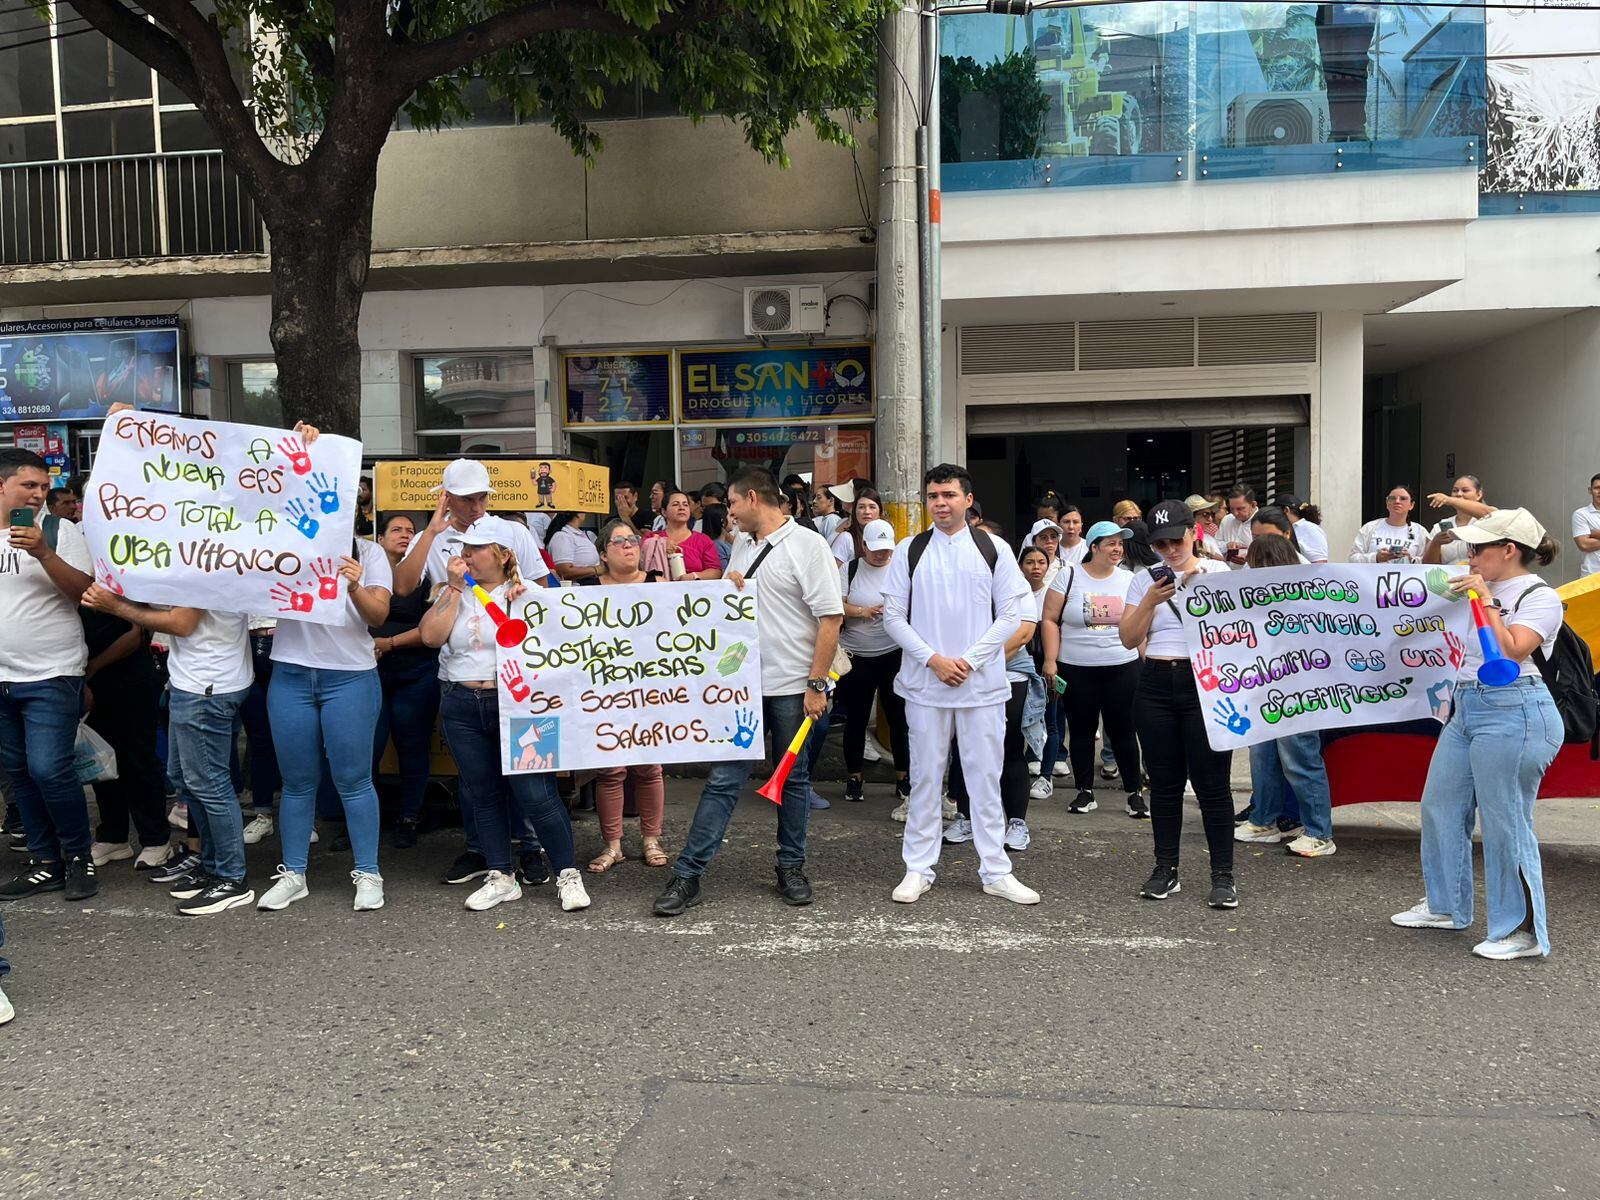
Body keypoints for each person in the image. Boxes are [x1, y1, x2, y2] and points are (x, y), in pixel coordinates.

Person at [652, 467, 843, 917]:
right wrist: (729, 585)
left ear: (753, 498)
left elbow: (830, 619)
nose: (727, 513)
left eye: (733, 504)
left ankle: (791, 867)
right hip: (742, 687)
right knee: (723, 779)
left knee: (792, 781)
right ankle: (688, 874)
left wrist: (816, 685)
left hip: (794, 687)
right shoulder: (742, 542)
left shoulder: (808, 546)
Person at [1391, 509, 1564, 960]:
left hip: (1517, 708)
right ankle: (1446, 905)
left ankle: (1522, 931)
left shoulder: (1539, 595)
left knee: (1507, 821)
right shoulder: (1466, 583)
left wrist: (1485, 597)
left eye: (1478, 548)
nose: (1468, 555)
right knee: (1440, 805)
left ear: (1508, 551)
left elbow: (1512, 650)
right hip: (1466, 705)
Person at [882, 464, 1039, 906]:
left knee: (984, 778)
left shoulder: (995, 549)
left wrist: (968, 661)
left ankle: (995, 869)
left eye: (949, 494)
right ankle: (917, 867)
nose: (940, 502)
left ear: (968, 500)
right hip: (924, 684)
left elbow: (1011, 614)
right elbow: (893, 616)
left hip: (981, 684)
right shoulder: (910, 549)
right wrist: (933, 659)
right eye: (933, 495)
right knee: (926, 779)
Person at [421, 517, 590, 913]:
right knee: (483, 792)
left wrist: (529, 603)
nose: (465, 556)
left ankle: (567, 873)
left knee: (537, 793)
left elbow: (560, 644)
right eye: (463, 549)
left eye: (476, 549)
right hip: (463, 701)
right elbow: (431, 637)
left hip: (522, 704)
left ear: (502, 554)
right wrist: (454, 588)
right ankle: (500, 874)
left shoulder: (528, 592)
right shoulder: (453, 591)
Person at [259, 471, 394, 913]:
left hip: (349, 676)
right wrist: (300, 453)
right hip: (292, 675)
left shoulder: (370, 553)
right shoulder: (283, 545)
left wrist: (354, 585)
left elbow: (378, 616)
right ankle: (293, 872)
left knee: (354, 780)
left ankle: (368, 872)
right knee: (296, 783)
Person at [79, 585, 259, 913]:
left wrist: (116, 606)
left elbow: (183, 623)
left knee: (210, 784)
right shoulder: (191, 552)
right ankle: (212, 866)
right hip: (192, 680)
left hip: (209, 684)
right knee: (187, 780)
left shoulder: (205, 561)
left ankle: (232, 878)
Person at [1118, 498, 1236, 908]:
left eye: (1175, 540)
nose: (1169, 550)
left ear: (1194, 534)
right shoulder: (1143, 580)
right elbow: (1129, 639)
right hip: (1154, 681)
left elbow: (1243, 633)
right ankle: (1165, 869)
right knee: (1164, 785)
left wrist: (1204, 589)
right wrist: (1151, 600)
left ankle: (1223, 875)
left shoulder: (1220, 573)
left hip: (1206, 684)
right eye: (1160, 544)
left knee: (1212, 785)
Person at [0, 448, 97, 903]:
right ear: (2, 486)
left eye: (43, 487)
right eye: (29, 486)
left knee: (49, 769)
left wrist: (42, 552)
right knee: (19, 771)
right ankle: (44, 862)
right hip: (2, 677)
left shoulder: (61, 530)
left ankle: (79, 856)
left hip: (52, 672)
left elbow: (86, 593)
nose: (39, 495)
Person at [1232, 535, 1336, 857]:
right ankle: (1264, 820)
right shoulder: (1257, 597)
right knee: (1263, 757)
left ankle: (1320, 832)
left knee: (1300, 759)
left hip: (1299, 691)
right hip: (1264, 687)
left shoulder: (1306, 599)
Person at [1042, 519, 1147, 818]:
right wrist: (1051, 660)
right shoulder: (1069, 575)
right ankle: (1084, 791)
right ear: (1095, 547)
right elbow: (1049, 619)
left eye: (1120, 543)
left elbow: (1140, 625)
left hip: (1122, 666)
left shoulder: (1129, 579)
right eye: (1111, 543)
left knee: (1124, 731)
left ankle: (1134, 793)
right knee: (1082, 731)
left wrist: (1146, 657)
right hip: (1077, 667)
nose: (1118, 549)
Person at [586, 519, 669, 873]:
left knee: (649, 767)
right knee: (610, 769)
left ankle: (651, 839)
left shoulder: (659, 584)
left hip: (649, 688)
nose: (628, 545)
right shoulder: (586, 589)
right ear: (604, 553)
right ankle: (613, 845)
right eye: (618, 541)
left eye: (632, 539)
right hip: (606, 690)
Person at [79, 596, 168, 869]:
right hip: (89, 676)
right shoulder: (76, 578)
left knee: (137, 756)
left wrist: (92, 668)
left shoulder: (127, 571)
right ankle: (113, 836)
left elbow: (138, 633)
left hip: (132, 673)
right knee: (100, 758)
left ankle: (155, 839)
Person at [369, 513, 441, 849]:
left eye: (410, 531)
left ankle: (409, 817)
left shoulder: (425, 574)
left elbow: (434, 626)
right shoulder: (368, 572)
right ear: (380, 539)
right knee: (368, 749)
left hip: (416, 671)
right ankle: (366, 819)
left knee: (413, 747)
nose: (404, 535)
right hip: (371, 673)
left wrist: (390, 643)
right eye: (396, 530)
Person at [392, 459, 548, 601]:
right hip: (453, 626)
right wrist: (431, 532)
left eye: (482, 497)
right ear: (446, 497)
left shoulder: (516, 531)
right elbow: (401, 588)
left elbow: (541, 591)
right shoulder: (427, 538)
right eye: (467, 499)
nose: (477, 507)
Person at [833, 519, 910, 806]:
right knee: (856, 718)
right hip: (856, 655)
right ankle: (854, 777)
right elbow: (835, 604)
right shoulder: (849, 569)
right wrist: (862, 611)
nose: (881, 555)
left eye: (886, 550)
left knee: (898, 717)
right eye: (875, 549)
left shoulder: (900, 570)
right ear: (863, 545)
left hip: (893, 652)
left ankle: (904, 777)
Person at [645, 488, 723, 581]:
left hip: (693, 593)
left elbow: (715, 572)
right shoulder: (651, 538)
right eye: (675, 504)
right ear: (664, 512)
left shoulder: (703, 540)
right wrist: (661, 544)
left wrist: (694, 576)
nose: (682, 508)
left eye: (685, 505)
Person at [1421, 475, 1494, 566]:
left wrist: (1449, 500)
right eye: (1455, 491)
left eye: (1465, 490)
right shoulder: (1440, 525)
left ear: (1479, 494)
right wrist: (1436, 544)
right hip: (1448, 578)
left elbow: (1491, 513)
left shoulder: (1487, 521)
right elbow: (1428, 565)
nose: (1459, 494)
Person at [1350, 485, 1429, 563]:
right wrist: (1376, 557)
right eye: (1392, 498)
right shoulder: (1370, 527)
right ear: (1387, 503)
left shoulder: (1420, 531)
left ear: (1411, 505)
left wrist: (1410, 559)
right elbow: (1353, 558)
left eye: (1403, 499)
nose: (1397, 501)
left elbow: (1429, 561)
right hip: (1373, 575)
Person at [830, 485, 882, 568]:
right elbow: (834, 573)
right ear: (854, 511)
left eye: (872, 507)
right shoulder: (846, 538)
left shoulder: (885, 536)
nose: (867, 512)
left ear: (880, 512)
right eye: (861, 507)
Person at [546, 512, 601, 584]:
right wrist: (596, 569)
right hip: (577, 589)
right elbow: (564, 572)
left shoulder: (580, 534)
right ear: (578, 514)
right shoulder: (563, 536)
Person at [1276, 495, 1328, 564]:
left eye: (1276, 513)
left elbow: (1319, 563)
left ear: (1286, 510)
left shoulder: (1310, 529)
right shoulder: (1286, 529)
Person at [1218, 485, 1259, 568]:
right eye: (1232, 509)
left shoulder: (1264, 522)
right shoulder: (1227, 519)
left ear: (1253, 505)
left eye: (1240, 509)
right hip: (1227, 573)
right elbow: (1215, 545)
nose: (1235, 513)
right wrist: (1226, 546)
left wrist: (1248, 559)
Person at [1570, 473, 1600, 578]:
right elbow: (1584, 545)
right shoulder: (1581, 514)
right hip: (1591, 577)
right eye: (1597, 488)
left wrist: (1596, 534)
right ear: (1590, 490)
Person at [1185, 495, 1226, 561]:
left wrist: (1209, 554)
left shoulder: (1209, 538)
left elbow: (1221, 561)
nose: (1210, 519)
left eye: (1211, 514)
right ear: (1191, 516)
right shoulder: (1180, 541)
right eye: (1205, 514)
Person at [701, 504, 734, 572]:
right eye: (730, 516)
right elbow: (724, 572)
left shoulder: (725, 543)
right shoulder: (716, 546)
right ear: (723, 521)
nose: (733, 519)